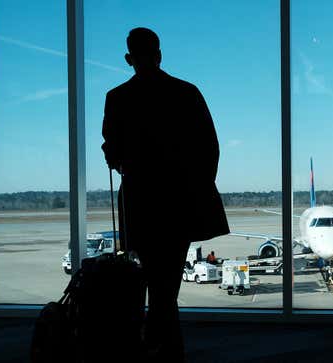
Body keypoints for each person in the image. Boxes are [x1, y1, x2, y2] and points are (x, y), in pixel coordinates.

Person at [101, 27, 230, 362]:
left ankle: (154, 344)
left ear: (128, 59)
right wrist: (197, 188)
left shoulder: (117, 98)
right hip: (181, 203)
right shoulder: (187, 93)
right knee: (166, 283)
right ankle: (163, 346)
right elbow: (210, 149)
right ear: (159, 55)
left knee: (154, 280)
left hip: (140, 203)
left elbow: (113, 155)